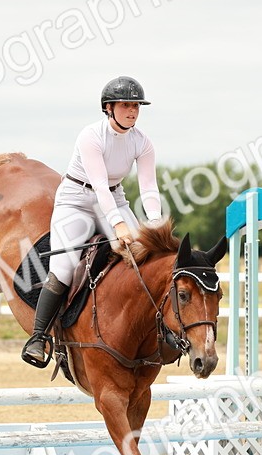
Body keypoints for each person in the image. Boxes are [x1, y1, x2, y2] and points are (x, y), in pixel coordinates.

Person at [22, 76, 164, 367]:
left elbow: (149, 187)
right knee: (63, 268)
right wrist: (118, 225)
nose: (132, 111)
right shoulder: (91, 136)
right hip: (75, 201)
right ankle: (39, 337)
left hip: (115, 199)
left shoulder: (142, 142)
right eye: (125, 105)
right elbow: (99, 185)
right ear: (108, 108)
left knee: (143, 258)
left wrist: (155, 224)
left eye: (136, 106)